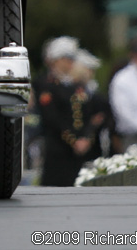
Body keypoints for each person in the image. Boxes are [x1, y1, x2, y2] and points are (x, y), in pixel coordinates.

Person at [33, 36, 93, 186]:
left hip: (77, 151)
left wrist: (85, 137)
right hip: (57, 148)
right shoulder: (45, 84)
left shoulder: (75, 84)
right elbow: (51, 117)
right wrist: (73, 140)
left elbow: (87, 114)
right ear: (55, 60)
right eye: (66, 58)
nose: (70, 62)